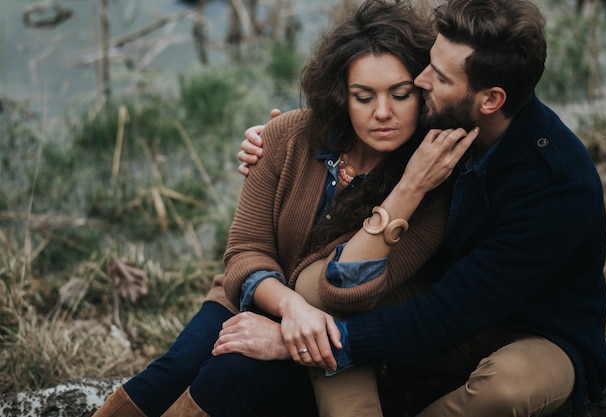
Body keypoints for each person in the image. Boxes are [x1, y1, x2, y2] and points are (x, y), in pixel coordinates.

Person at [219, 0, 606, 416]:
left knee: (507, 390)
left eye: (438, 76)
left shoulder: (558, 189)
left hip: (534, 336)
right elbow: (359, 116)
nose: (420, 80)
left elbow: (449, 315)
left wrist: (291, 341)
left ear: (491, 100)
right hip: (438, 300)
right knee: (319, 287)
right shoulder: (443, 113)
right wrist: (277, 138)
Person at [92, 1, 476, 416]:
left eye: (400, 95)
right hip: (250, 296)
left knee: (229, 374)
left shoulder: (432, 186)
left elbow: (347, 292)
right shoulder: (289, 136)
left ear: (423, 93)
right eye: (363, 97)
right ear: (341, 95)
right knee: (172, 370)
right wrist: (289, 307)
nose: (383, 113)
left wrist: (409, 188)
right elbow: (244, 252)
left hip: (331, 333)